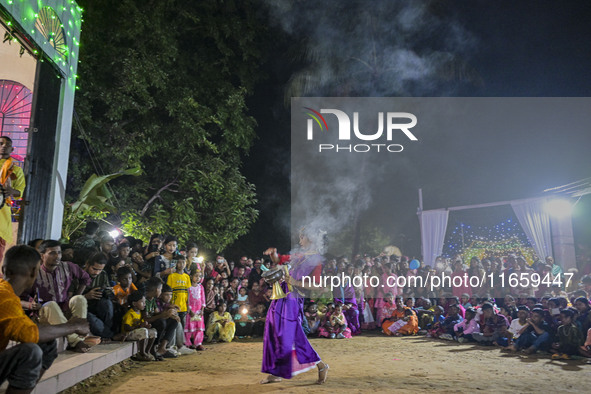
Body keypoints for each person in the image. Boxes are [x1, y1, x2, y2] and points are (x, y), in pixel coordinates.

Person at [1, 245, 89, 393]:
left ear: (3, 270)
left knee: (45, 345)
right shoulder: (6, 298)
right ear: (35, 272)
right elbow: (28, 334)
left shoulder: (6, 292)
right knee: (31, 352)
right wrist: (72, 326)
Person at [260, 228, 329, 385]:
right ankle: (275, 372)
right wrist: (273, 254)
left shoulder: (316, 260)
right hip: (281, 296)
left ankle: (321, 365)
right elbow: (280, 260)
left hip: (293, 299)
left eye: (302, 237)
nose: (300, 241)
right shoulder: (299, 256)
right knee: (273, 331)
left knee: (291, 336)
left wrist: (295, 282)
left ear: (310, 239)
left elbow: (319, 286)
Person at [28, 240, 93, 352]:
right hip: (43, 315)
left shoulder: (68, 267)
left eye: (59, 252)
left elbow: (86, 278)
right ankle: (76, 341)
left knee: (79, 299)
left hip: (64, 311)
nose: (57, 256)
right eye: (53, 253)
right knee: (50, 305)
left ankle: (78, 335)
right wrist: (31, 304)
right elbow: (22, 295)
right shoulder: (33, 272)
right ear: (42, 255)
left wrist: (77, 294)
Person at [0, 137, 25, 264]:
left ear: (12, 149)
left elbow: (20, 191)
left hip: (2, 217)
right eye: (1, 144)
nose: (4, 146)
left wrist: (11, 191)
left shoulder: (16, 170)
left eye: (7, 145)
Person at [121, 290, 157, 361]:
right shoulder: (130, 313)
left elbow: (142, 325)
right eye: (142, 302)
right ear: (134, 303)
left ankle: (147, 351)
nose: (144, 304)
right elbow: (126, 327)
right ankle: (142, 353)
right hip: (128, 334)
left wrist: (146, 326)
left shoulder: (140, 313)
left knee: (153, 331)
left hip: (137, 332)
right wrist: (140, 326)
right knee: (143, 331)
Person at [185, 270, 206, 350]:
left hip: (199, 310)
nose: (198, 278)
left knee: (199, 327)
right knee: (189, 327)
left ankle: (198, 343)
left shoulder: (201, 287)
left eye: (199, 276)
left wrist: (202, 310)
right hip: (190, 311)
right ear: (191, 276)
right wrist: (190, 311)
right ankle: (188, 343)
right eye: (196, 276)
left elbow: (203, 299)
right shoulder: (188, 287)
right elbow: (187, 300)